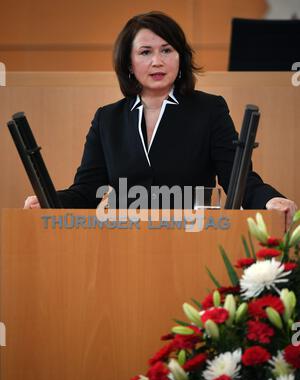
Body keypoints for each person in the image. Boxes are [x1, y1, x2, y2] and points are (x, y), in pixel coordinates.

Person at [24, 11, 297, 222]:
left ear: (181, 59)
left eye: (167, 50)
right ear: (129, 63)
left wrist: (270, 200)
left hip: (194, 238)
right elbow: (85, 191)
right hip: (125, 242)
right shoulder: (108, 119)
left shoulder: (210, 110)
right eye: (145, 52)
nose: (157, 61)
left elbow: (239, 180)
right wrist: (49, 200)